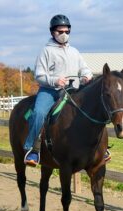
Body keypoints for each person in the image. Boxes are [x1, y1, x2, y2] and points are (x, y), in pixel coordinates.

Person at [24, 14, 93, 166]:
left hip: (72, 90)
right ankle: (32, 149)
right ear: (52, 32)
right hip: (50, 91)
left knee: (92, 111)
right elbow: (39, 75)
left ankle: (97, 148)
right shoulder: (45, 51)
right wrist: (55, 80)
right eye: (60, 31)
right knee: (39, 113)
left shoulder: (74, 51)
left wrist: (87, 76)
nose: (63, 35)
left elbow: (85, 69)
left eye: (66, 32)